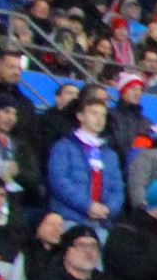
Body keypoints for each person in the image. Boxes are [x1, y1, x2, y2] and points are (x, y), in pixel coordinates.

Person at [44, 93, 125, 226]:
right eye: (93, 113)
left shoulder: (110, 154)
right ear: (80, 116)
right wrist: (87, 206)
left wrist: (108, 209)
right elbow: (59, 181)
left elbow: (118, 188)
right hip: (69, 217)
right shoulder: (64, 146)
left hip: (101, 222)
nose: (99, 119)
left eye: (103, 115)